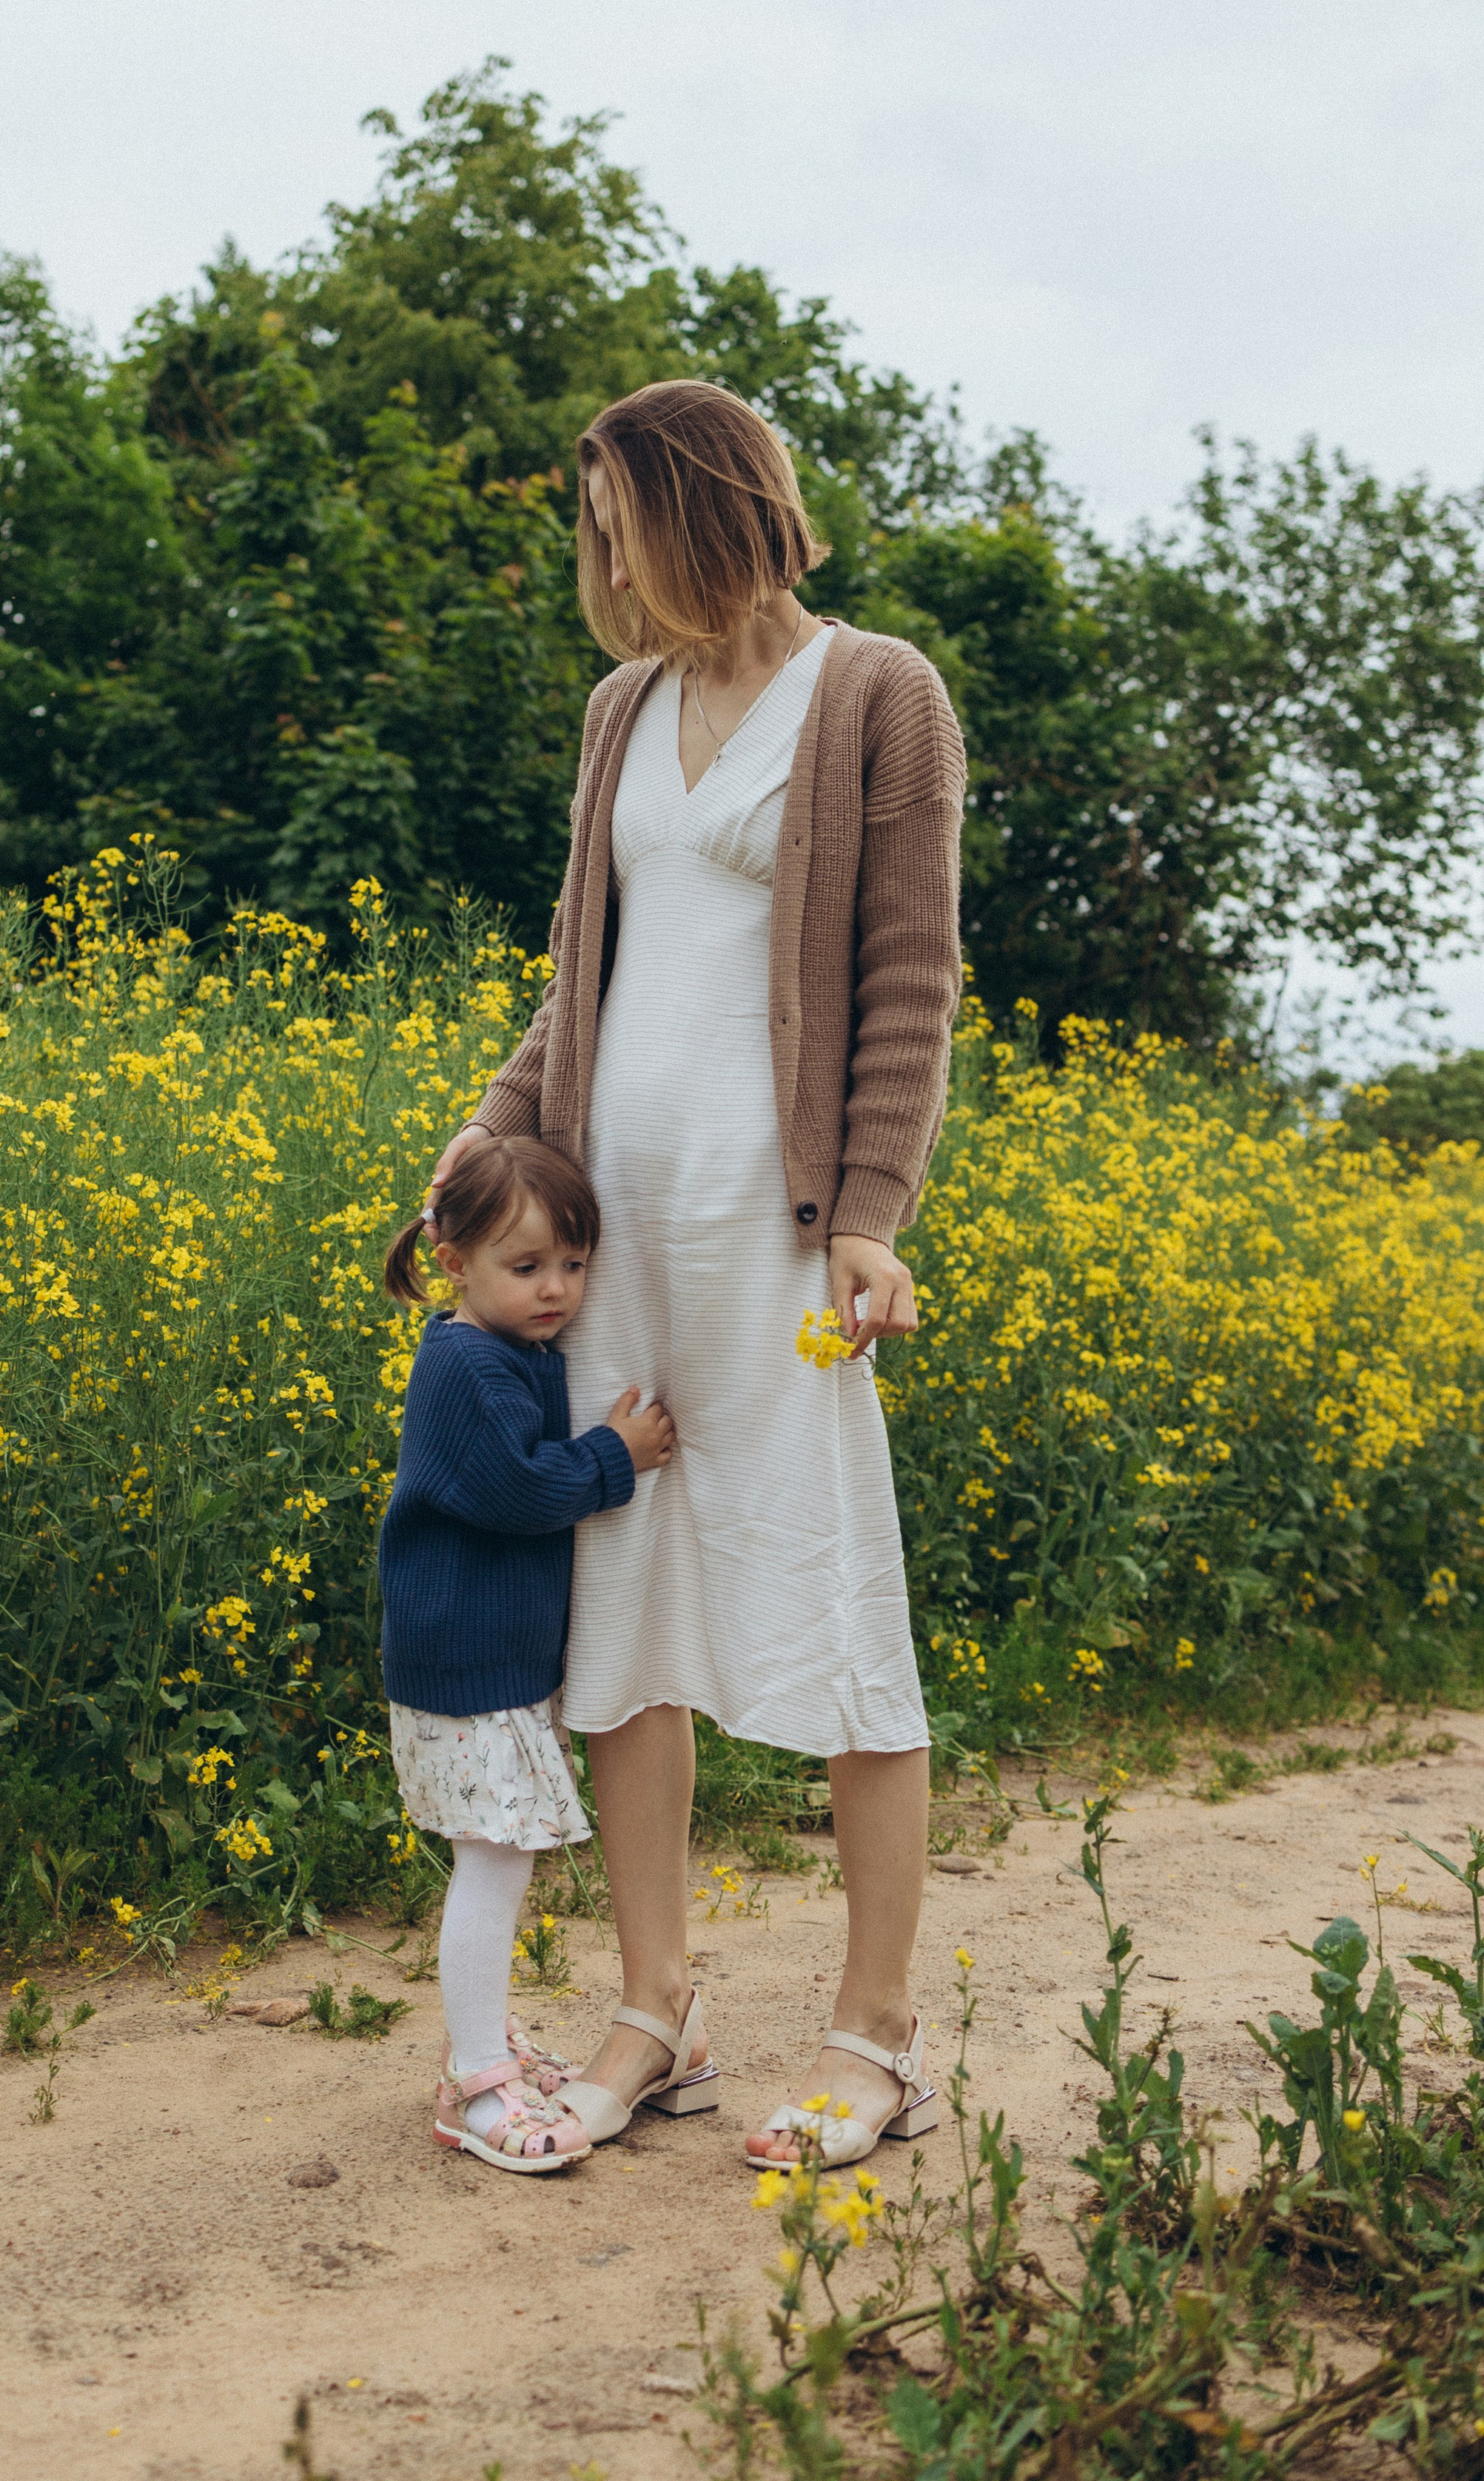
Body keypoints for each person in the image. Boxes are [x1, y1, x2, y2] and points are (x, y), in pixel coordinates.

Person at [429, 380, 965, 2172]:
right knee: (623, 1608)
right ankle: (656, 2008)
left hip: (780, 1230)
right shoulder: (617, 711)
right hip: (611, 1232)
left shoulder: (876, 691)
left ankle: (874, 2033)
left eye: (614, 518)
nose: (600, 559)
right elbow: (584, 973)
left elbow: (908, 977)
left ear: (702, 502)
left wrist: (874, 1211)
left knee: (828, 1597)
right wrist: (490, 1131)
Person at [378, 1130, 679, 2175]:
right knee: (494, 1863)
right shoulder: (465, 1363)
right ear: (453, 1262)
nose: (556, 1289)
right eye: (526, 1267)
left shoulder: (510, 1351)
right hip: (464, 1674)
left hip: (486, 1667)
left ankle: (487, 2042)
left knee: (499, 1858)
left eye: (573, 1264)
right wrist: (614, 1457)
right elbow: (513, 1492)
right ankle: (474, 2085)